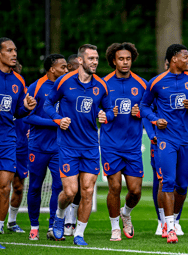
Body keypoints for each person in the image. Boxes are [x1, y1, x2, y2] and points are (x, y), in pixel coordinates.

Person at [44, 44, 117, 246]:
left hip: (91, 146)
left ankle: (79, 234)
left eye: (96, 59)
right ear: (81, 61)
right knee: (70, 192)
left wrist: (106, 115)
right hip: (68, 146)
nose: (95, 62)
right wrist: (58, 119)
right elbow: (48, 104)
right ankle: (59, 216)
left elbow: (111, 110)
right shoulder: (64, 82)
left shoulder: (101, 86)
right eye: (91, 58)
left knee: (87, 191)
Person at [140, 44, 188, 243]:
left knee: (182, 185)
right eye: (185, 57)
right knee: (167, 182)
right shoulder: (156, 82)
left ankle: (174, 219)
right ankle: (168, 226)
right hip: (166, 140)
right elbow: (144, 107)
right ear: (173, 59)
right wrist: (155, 120)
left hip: (186, 141)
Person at [101, 42, 147, 241]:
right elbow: (95, 109)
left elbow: (151, 109)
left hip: (133, 146)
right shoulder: (102, 84)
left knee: (136, 191)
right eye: (121, 59)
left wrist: (141, 112)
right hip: (111, 144)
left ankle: (126, 213)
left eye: (128, 59)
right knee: (115, 187)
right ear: (114, 60)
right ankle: (115, 228)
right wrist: (104, 114)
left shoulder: (142, 84)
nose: (125, 62)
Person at [24, 54, 68, 241]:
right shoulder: (36, 86)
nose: (67, 70)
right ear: (52, 69)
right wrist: (55, 121)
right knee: (35, 187)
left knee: (59, 186)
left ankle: (53, 226)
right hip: (38, 146)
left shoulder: (67, 86)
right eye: (63, 67)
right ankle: (34, 226)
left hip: (60, 146)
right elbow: (28, 116)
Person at [0, 37, 36, 250]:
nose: (14, 54)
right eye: (9, 50)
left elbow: (17, 112)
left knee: (5, 188)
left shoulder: (19, 81)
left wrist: (27, 107)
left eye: (15, 50)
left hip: (7, 137)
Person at [7, 60, 28, 234]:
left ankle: (12, 221)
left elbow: (31, 113)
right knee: (3, 184)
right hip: (5, 142)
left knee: (19, 186)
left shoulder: (25, 94)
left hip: (21, 146)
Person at [64, 54, 81, 236]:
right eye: (78, 65)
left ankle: (71, 219)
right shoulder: (61, 86)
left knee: (81, 185)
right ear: (69, 67)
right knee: (62, 187)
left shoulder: (91, 86)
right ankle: (58, 219)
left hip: (82, 142)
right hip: (60, 141)